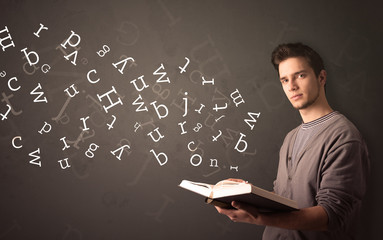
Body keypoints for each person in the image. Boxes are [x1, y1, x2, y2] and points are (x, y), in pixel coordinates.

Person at [215, 43, 370, 239]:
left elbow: (330, 215)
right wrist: (246, 194)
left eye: (300, 75)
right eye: (284, 80)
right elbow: (286, 200)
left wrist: (257, 217)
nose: (291, 86)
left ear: (321, 77)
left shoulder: (344, 137)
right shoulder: (291, 137)